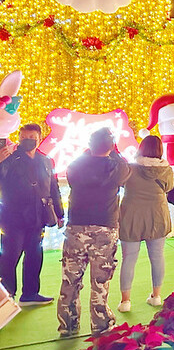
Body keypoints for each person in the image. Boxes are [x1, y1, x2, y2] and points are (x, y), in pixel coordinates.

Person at [58, 128, 130, 338]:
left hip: (76, 227)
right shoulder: (116, 167)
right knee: (100, 281)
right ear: (111, 146)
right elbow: (126, 170)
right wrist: (114, 152)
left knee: (70, 280)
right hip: (104, 229)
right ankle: (101, 325)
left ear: (90, 145)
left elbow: (72, 178)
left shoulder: (76, 165)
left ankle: (68, 325)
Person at [0, 124, 64, 305]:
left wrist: (59, 213)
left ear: (39, 139)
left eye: (31, 138)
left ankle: (30, 293)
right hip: (13, 218)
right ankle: (7, 297)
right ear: (19, 139)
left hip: (38, 217)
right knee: (9, 258)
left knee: (35, 256)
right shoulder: (9, 159)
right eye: (23, 138)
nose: (27, 141)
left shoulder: (46, 161)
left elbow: (53, 187)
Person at [117, 135, 172, 313]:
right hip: (157, 216)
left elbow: (119, 183)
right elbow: (169, 187)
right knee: (157, 257)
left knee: (128, 259)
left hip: (131, 217)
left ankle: (125, 301)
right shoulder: (166, 170)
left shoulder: (129, 168)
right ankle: (156, 296)